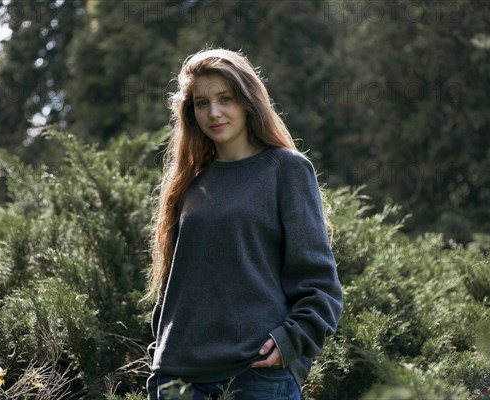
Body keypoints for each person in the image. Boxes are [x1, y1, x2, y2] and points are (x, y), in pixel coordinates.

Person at [145, 47, 343, 400]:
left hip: (255, 376)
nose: (214, 112)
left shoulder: (286, 169)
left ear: (248, 100)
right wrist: (160, 355)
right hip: (177, 381)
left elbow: (319, 282)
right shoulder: (188, 180)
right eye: (201, 103)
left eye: (225, 98)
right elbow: (174, 284)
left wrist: (291, 342)